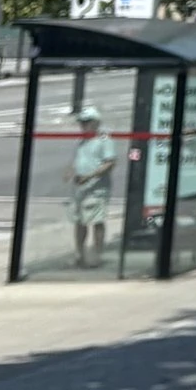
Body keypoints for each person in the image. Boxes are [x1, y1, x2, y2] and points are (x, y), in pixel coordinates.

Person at [68, 108, 115, 269]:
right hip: (80, 188)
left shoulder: (104, 140)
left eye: (86, 122)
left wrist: (90, 176)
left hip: (96, 188)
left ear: (95, 123)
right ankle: (79, 254)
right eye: (82, 122)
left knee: (96, 221)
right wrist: (71, 172)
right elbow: (78, 160)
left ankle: (97, 254)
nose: (83, 126)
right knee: (79, 222)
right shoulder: (82, 141)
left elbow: (109, 163)